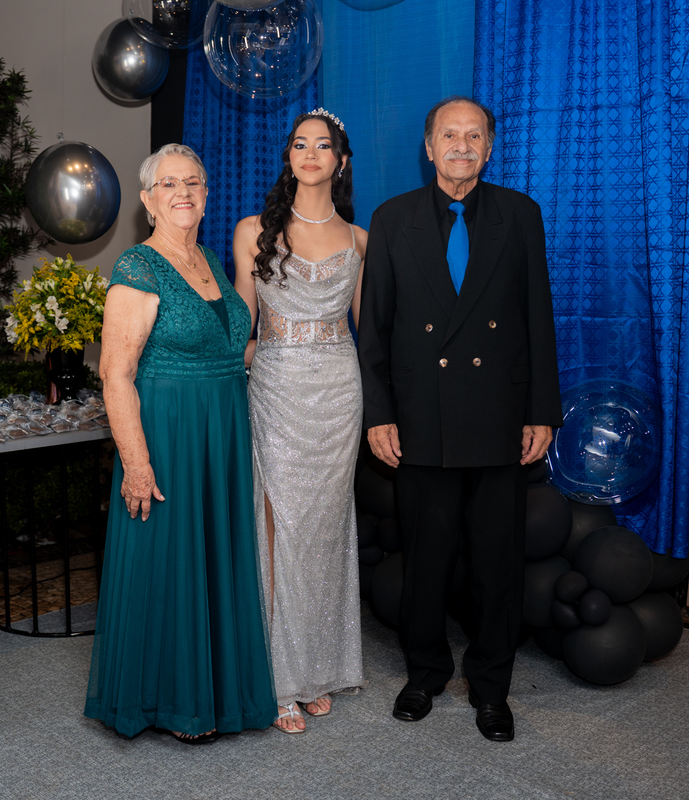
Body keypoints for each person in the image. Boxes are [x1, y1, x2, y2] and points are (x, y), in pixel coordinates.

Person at [358, 96, 562, 743]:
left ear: (490, 148)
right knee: (426, 559)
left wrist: (541, 411)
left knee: (497, 564)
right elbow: (375, 329)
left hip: (498, 416)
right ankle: (424, 674)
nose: (462, 146)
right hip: (421, 417)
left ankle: (492, 688)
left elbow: (538, 318)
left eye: (474, 136)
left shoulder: (520, 215)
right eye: (450, 134)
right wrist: (379, 414)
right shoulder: (392, 219)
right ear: (429, 147)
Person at [84, 144, 276, 744]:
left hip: (220, 430)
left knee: (212, 555)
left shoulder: (210, 261)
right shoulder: (138, 267)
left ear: (207, 195)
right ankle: (170, 702)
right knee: (169, 559)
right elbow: (115, 374)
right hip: (168, 433)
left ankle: (216, 694)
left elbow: (233, 349)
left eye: (193, 182)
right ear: (148, 200)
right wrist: (136, 463)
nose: (183, 192)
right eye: (169, 184)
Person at [232, 109, 367, 735]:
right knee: (280, 527)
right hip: (277, 388)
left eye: (323, 145)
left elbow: (371, 333)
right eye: (299, 144)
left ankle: (317, 668)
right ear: (288, 156)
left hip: (339, 392)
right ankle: (280, 677)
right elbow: (241, 326)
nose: (310, 153)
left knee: (324, 529)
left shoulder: (361, 239)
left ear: (340, 160)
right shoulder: (252, 231)